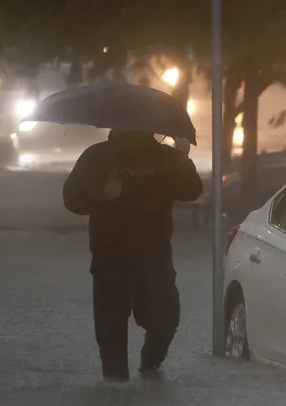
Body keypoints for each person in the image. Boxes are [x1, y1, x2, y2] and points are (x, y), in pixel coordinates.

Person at [63, 130, 203, 382]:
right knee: (111, 331)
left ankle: (149, 367)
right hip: (110, 258)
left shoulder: (166, 158)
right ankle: (115, 389)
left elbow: (191, 191)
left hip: (155, 256)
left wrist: (183, 161)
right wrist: (101, 193)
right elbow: (71, 198)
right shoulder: (98, 156)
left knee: (166, 318)